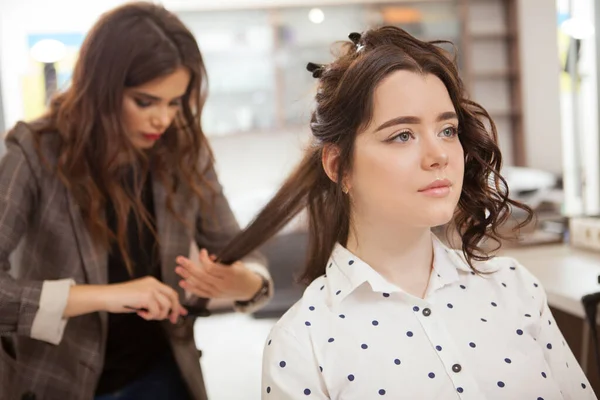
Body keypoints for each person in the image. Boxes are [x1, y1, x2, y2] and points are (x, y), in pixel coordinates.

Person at [179, 26, 596, 399]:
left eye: (447, 130)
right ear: (338, 166)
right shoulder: (302, 342)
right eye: (402, 135)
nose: (438, 155)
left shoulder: (516, 290)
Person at [0, 3, 273, 400]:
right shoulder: (34, 152)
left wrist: (243, 281)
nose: (162, 120)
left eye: (175, 102)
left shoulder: (185, 151)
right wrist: (109, 295)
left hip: (163, 374)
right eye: (146, 102)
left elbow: (243, 254)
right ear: (102, 90)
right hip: (57, 382)